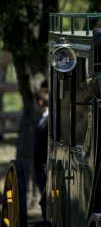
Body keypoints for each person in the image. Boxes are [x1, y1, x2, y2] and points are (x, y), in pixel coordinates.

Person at [33, 87, 49, 221]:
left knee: (45, 200)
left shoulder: (49, 120)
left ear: (39, 102)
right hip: (39, 166)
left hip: (45, 167)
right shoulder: (42, 120)